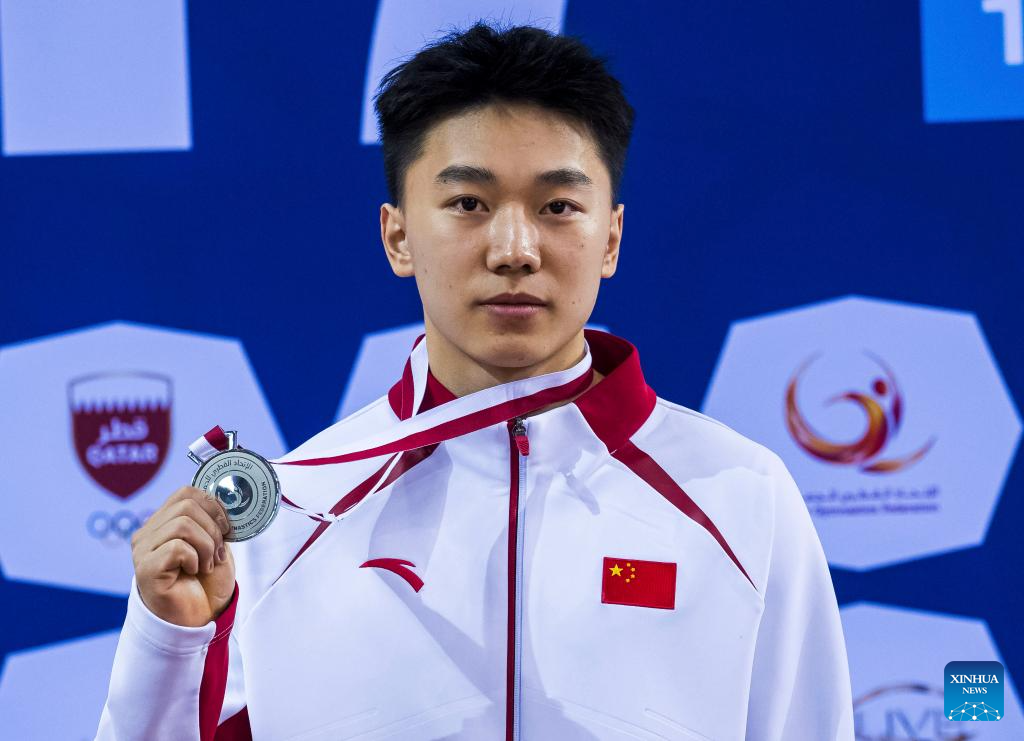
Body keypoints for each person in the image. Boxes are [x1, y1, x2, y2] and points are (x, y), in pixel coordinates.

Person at [96, 22, 854, 741]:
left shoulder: (740, 498)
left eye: (558, 206)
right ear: (398, 236)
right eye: (469, 204)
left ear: (611, 238)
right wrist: (169, 643)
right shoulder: (290, 516)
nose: (515, 248)